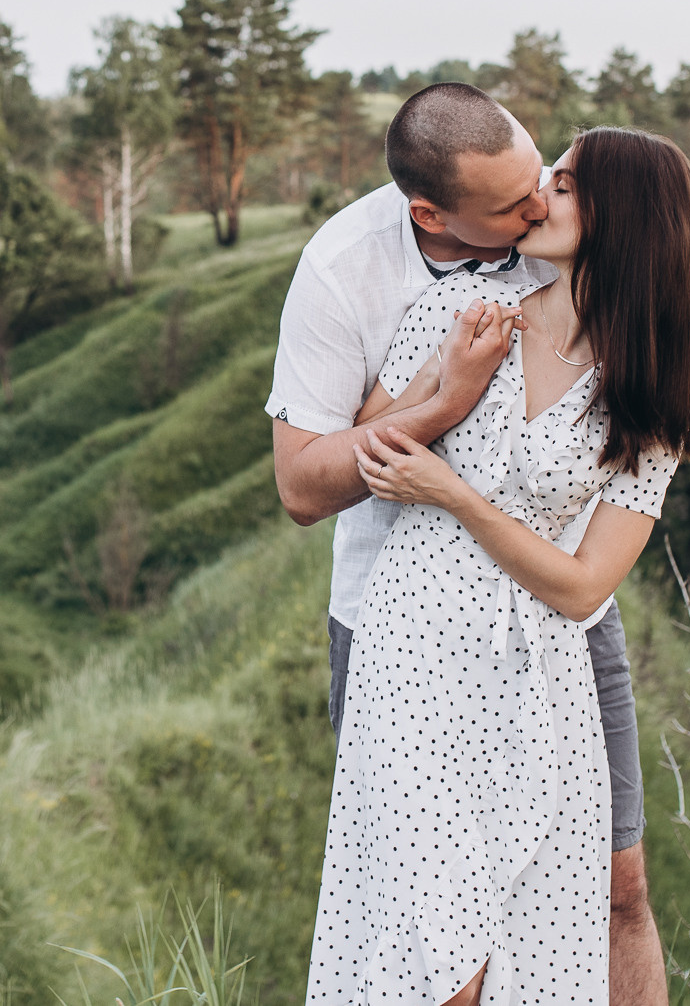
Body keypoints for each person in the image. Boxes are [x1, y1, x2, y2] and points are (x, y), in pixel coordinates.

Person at [269, 86, 667, 1004]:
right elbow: (302, 482)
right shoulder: (353, 272)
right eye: (520, 202)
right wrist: (445, 401)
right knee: (428, 932)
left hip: (556, 639)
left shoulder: (596, 322)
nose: (536, 206)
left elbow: (589, 567)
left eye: (550, 184)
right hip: (404, 627)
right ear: (431, 214)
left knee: (613, 891)